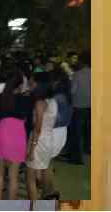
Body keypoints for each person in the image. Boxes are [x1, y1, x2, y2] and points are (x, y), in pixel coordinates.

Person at [26, 72, 68, 201]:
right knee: (38, 172)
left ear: (38, 84)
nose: (31, 84)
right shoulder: (52, 101)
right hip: (48, 139)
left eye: (33, 82)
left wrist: (31, 149)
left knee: (30, 179)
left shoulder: (40, 103)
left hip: (39, 141)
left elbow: (37, 129)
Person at [0, 70, 32, 200]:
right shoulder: (26, 99)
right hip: (18, 134)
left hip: (2, 132)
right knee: (13, 177)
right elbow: (29, 122)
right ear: (20, 85)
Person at [67, 50, 91, 165]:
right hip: (91, 107)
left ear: (82, 61)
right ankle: (88, 150)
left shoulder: (77, 74)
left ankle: (77, 158)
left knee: (77, 133)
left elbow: (73, 91)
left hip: (79, 106)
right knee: (88, 131)